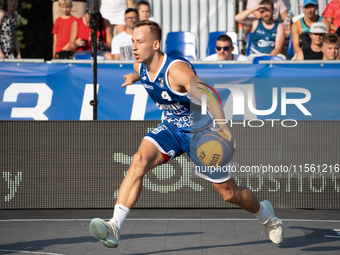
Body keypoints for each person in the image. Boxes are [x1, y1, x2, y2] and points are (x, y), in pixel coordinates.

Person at [89, 20, 284, 249]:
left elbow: (209, 95)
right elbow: (146, 75)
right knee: (138, 160)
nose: (134, 46)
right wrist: (136, 79)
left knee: (229, 194)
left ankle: (267, 217)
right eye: (132, 41)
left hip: (200, 133)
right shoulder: (140, 66)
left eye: (139, 42)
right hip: (172, 128)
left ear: (155, 44)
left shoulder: (177, 71)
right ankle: (114, 226)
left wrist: (223, 128)